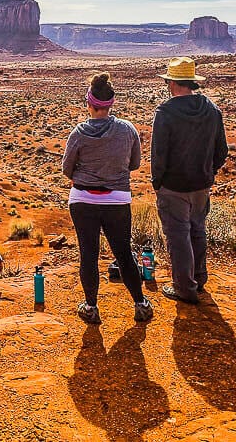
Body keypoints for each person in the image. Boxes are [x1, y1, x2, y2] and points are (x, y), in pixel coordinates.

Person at [62, 72, 153, 324]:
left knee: (88, 254)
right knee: (123, 253)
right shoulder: (127, 130)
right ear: (111, 103)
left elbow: (66, 169)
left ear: (89, 104)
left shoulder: (78, 133)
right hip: (117, 200)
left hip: (82, 200)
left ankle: (91, 308)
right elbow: (134, 164)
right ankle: (141, 304)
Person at [151, 57, 228, 304]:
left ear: (172, 83)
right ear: (192, 82)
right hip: (201, 185)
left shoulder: (165, 113)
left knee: (178, 235)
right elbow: (222, 150)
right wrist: (209, 171)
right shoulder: (212, 110)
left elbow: (158, 154)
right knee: (197, 230)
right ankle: (199, 278)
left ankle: (184, 288)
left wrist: (158, 182)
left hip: (173, 186)